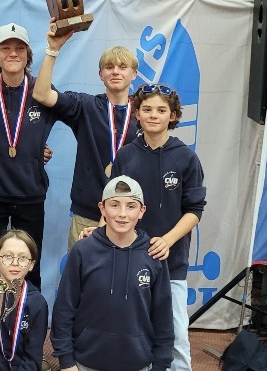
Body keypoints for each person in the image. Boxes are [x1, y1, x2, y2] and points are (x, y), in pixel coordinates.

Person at [111, 84, 206, 370]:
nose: (154, 115)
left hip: (170, 262)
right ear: (137, 114)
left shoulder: (186, 157)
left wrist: (167, 240)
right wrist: (100, 231)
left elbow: (194, 211)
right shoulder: (126, 155)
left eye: (161, 110)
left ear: (173, 116)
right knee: (130, 331)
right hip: (129, 258)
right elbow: (113, 204)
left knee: (175, 335)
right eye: (147, 109)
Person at [33, 17, 139, 250]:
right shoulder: (86, 106)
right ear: (100, 74)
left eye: (123, 67)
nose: (115, 72)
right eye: (109, 67)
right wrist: (53, 49)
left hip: (130, 216)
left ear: (134, 74)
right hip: (88, 215)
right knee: (82, 282)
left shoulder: (144, 114)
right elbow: (41, 94)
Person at [0, 22, 58, 288]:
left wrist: (35, 147)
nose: (13, 53)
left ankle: (29, 321)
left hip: (30, 192)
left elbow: (78, 112)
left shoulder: (42, 90)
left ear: (28, 54)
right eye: (6, 48)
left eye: (20, 48)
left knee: (29, 263)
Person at [51, 176, 174, 371]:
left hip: (138, 364)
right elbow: (64, 309)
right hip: (85, 363)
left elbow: (163, 316)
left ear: (142, 211)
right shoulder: (83, 251)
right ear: (102, 209)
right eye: (114, 205)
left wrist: (160, 364)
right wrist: (66, 361)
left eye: (131, 206)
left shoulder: (154, 254)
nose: (122, 214)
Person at [0, 229, 49, 370]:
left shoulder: (37, 303)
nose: (15, 263)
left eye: (23, 258)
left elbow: (33, 360)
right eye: (7, 256)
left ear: (31, 265)